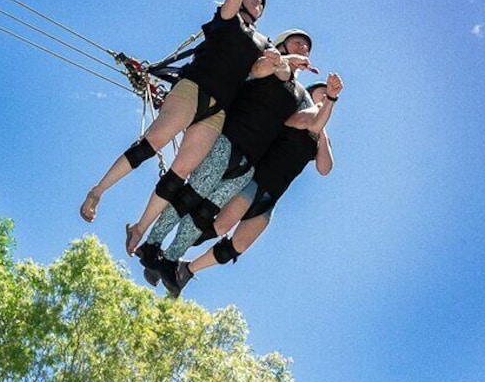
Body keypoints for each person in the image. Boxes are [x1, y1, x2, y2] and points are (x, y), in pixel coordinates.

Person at [80, 0, 277, 233]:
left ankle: (140, 227)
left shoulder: (262, 41)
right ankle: (98, 191)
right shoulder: (228, 18)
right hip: (195, 86)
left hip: (218, 107)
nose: (257, 1)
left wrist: (282, 63)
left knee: (182, 171)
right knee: (155, 141)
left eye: (261, 1)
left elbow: (258, 71)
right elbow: (232, 1)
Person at [136, 34, 337, 297]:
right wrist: (288, 61)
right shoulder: (270, 62)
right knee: (191, 196)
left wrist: (327, 103)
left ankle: (170, 258)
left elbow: (312, 132)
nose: (304, 49)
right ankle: (151, 244)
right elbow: (261, 71)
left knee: (205, 212)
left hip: (250, 161)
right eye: (298, 43)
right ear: (283, 42)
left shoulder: (300, 97)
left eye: (308, 48)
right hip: (230, 137)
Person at [170, 79, 339, 292]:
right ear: (309, 95)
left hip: (273, 194)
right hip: (255, 179)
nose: (325, 98)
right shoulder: (299, 113)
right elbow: (308, 121)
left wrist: (323, 132)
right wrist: (325, 107)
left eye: (328, 96)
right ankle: (168, 254)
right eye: (321, 94)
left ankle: (187, 269)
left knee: (239, 244)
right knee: (220, 226)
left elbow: (325, 168)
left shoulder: (321, 137)